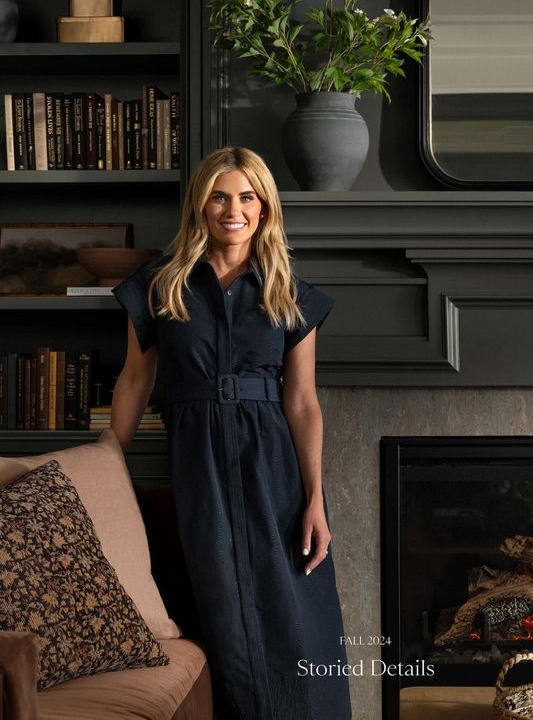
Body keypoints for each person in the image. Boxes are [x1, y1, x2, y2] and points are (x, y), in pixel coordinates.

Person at [110, 146, 352, 720]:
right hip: (198, 464)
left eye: (247, 196)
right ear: (201, 205)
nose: (233, 209)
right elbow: (134, 382)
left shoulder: (288, 291)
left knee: (292, 612)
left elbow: (303, 401)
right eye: (220, 196)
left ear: (265, 208)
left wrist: (315, 498)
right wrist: (107, 466)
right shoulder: (158, 285)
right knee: (218, 610)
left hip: (273, 466)